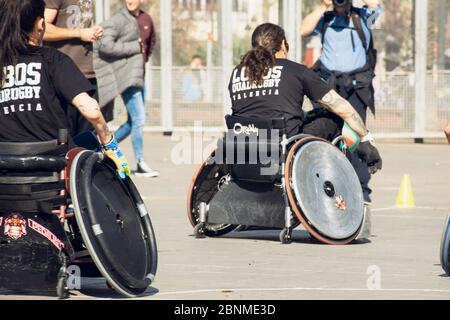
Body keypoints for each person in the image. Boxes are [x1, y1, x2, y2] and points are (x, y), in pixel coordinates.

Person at [229, 23, 382, 238]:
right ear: (283, 45)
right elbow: (342, 106)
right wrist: (366, 138)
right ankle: (328, 188)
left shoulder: (237, 73)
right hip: (285, 152)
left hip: (244, 152)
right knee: (332, 118)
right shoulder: (295, 71)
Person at [0, 0, 130, 179]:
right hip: (51, 176)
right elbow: (90, 110)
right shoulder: (54, 61)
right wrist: (110, 143)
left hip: (6, 176)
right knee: (89, 142)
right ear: (40, 24)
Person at [301, 0, 383, 206]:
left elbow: (376, 5)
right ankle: (325, 183)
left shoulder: (361, 16)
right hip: (329, 85)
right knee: (325, 135)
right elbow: (303, 29)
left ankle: (361, 191)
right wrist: (323, 5)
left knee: (356, 136)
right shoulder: (326, 18)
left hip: (356, 86)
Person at [94, 0, 159, 178]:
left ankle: (104, 147)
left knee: (133, 122)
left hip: (139, 76)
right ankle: (140, 162)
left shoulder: (147, 19)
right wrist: (133, 50)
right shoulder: (118, 19)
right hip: (127, 78)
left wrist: (140, 62)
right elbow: (105, 45)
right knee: (139, 118)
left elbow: (150, 43)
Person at [42, 0, 114, 136]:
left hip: (88, 76)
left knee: (87, 140)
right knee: (65, 140)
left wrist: (92, 30)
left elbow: (79, 25)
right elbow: (42, 28)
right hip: (63, 77)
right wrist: (79, 33)